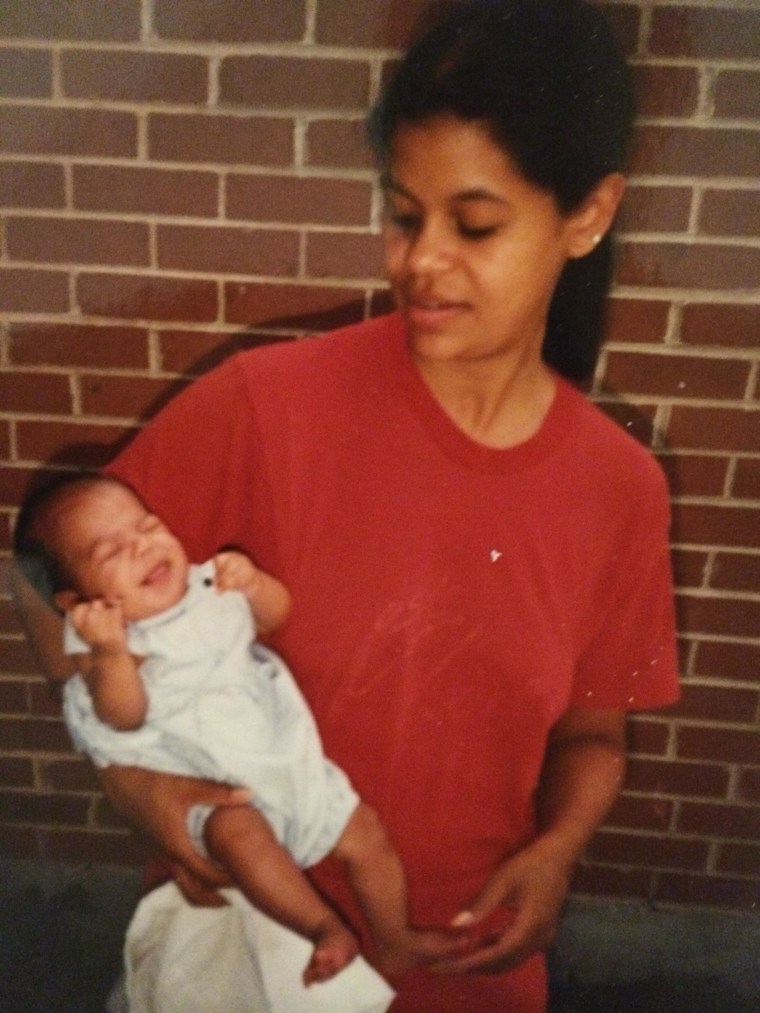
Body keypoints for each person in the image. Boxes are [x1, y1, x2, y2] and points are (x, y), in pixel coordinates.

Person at [13, 1, 680, 1009]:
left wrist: (559, 848)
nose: (418, 259)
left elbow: (591, 733)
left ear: (586, 214)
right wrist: (144, 789)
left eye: (475, 223)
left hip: (467, 956)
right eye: (403, 214)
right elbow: (41, 593)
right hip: (253, 944)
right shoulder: (266, 407)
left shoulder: (616, 487)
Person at [13, 472, 461, 985]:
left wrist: (253, 585)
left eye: (148, 525)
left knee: (367, 834)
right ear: (74, 602)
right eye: (111, 552)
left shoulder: (208, 582)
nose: (143, 547)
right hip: (217, 788)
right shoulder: (108, 644)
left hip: (284, 763)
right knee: (241, 839)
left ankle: (396, 939)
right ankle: (323, 928)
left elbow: (274, 616)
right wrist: (112, 652)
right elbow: (123, 715)